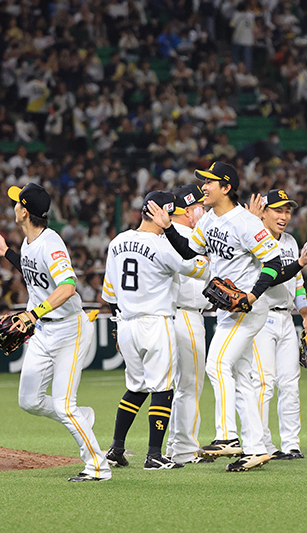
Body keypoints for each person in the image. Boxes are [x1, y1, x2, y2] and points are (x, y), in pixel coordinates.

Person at [147, 161, 285, 472]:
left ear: (226, 187)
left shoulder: (246, 222)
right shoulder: (209, 220)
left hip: (248, 307)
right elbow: (188, 251)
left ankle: (227, 436)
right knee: (242, 379)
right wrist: (168, 227)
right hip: (227, 309)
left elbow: (274, 262)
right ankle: (256, 448)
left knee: (217, 364)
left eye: (209, 182)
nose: (203, 187)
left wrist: (252, 295)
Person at [0, 183, 111, 481]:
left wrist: (33, 313)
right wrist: (7, 253)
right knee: (29, 400)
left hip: (69, 330)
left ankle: (97, 466)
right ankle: (82, 417)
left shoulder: (51, 243)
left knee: (64, 405)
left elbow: (68, 287)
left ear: (25, 212)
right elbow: (33, 271)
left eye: (17, 202)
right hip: (42, 331)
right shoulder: (29, 242)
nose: (14, 206)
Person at [102, 191, 209, 470]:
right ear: (162, 214)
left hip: (126, 323)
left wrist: (116, 328)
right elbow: (198, 269)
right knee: (162, 388)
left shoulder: (117, 241)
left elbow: (109, 293)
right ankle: (154, 455)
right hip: (156, 322)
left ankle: (116, 448)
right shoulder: (163, 245)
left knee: (135, 388)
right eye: (170, 214)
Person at [247, 189, 307, 460]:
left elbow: (297, 283)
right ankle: (262, 444)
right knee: (263, 383)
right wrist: (299, 263)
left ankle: (291, 444)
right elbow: (271, 278)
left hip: (286, 318)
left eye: (287, 211)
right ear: (263, 212)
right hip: (261, 316)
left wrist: (306, 315)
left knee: (290, 384)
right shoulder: (254, 238)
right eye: (278, 210)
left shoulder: (289, 241)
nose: (284, 216)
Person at [164, 184, 214, 465]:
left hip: (168, 316)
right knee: (190, 386)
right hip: (186, 314)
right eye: (200, 208)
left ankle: (175, 445)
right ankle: (185, 448)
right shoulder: (190, 238)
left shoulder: (164, 235)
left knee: (177, 386)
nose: (204, 212)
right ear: (189, 211)